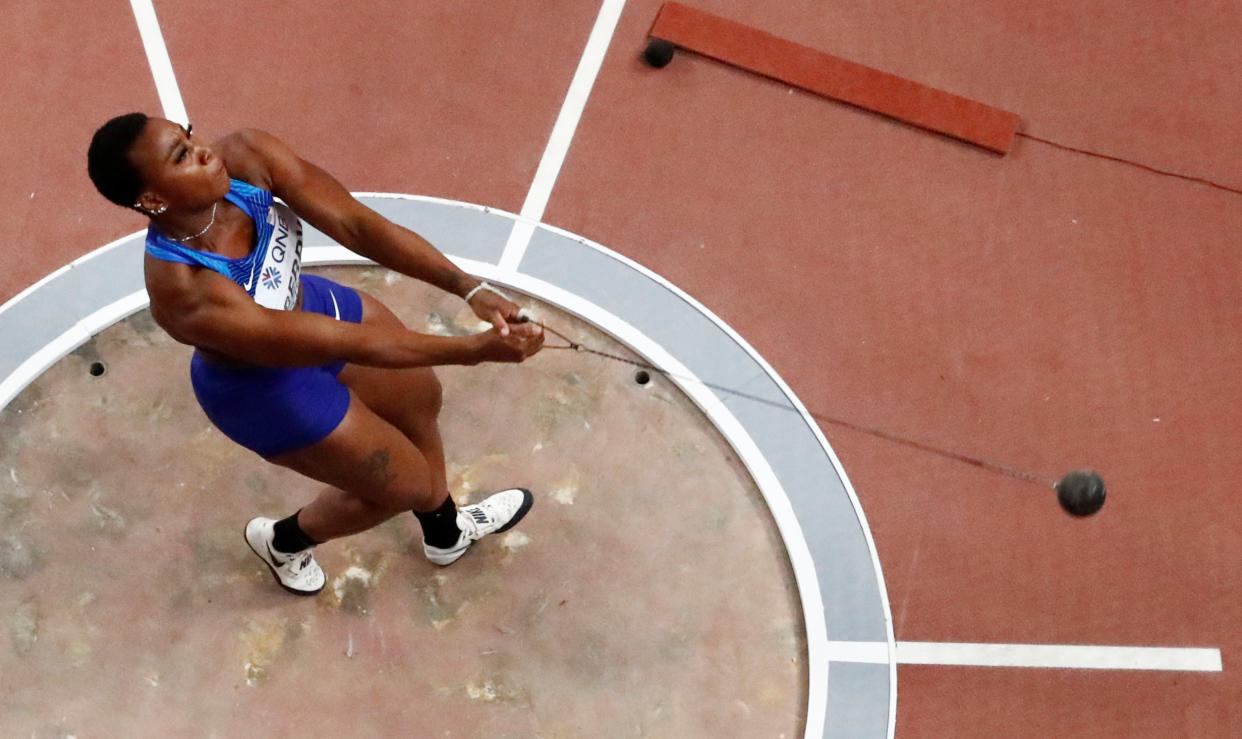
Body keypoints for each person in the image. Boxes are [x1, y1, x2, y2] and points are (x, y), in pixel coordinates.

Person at [86, 113, 544, 596]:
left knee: (419, 401)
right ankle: (281, 542)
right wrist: (474, 350)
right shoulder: (185, 289)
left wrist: (470, 290)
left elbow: (356, 223)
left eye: (189, 133)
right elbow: (338, 342)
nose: (203, 149)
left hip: (314, 308)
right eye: (181, 155)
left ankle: (445, 535)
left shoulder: (247, 158)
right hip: (265, 389)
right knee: (406, 488)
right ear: (154, 199)